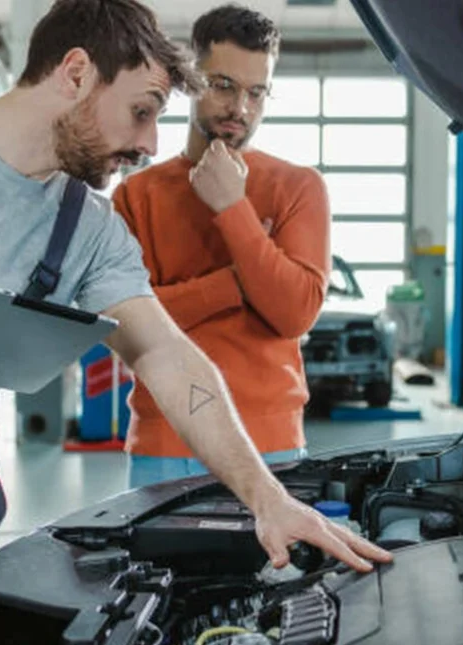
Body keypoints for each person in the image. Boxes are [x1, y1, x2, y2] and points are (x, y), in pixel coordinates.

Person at [0, 0, 390, 641]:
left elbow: (164, 354)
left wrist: (269, 499)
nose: (150, 144)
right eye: (141, 111)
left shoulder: (89, 230)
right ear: (76, 72)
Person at [113, 4, 330, 488]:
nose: (241, 109)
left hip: (273, 445)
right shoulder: (136, 196)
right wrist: (238, 283)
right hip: (164, 443)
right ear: (189, 79)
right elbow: (128, 333)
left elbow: (294, 313)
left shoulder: (298, 187)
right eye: (224, 85)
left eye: (257, 92)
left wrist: (232, 208)